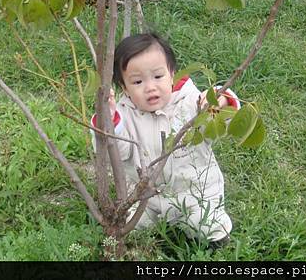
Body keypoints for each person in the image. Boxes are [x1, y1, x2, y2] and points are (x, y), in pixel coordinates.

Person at [92, 33, 240, 248]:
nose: (150, 87)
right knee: (131, 227)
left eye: (158, 77)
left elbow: (218, 126)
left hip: (195, 192)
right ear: (124, 88)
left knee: (207, 225)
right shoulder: (125, 114)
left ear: (172, 74)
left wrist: (220, 100)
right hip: (145, 198)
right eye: (138, 81)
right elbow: (118, 152)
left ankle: (216, 240)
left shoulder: (191, 103)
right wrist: (109, 119)